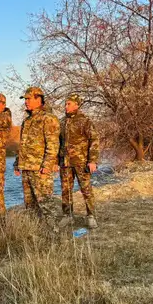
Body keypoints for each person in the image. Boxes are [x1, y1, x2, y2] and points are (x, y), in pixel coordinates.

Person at [13, 86, 60, 221]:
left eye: (28, 99)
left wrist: (47, 165)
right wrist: (17, 163)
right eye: (25, 99)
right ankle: (37, 236)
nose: (26, 102)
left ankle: (56, 236)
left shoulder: (48, 118)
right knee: (30, 206)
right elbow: (23, 145)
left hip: (40, 170)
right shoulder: (27, 121)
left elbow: (53, 145)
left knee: (46, 206)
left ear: (38, 99)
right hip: (26, 169)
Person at [58, 93, 100, 229]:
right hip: (65, 163)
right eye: (65, 103)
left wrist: (92, 160)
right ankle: (67, 215)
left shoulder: (85, 120)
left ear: (76, 105)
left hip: (82, 162)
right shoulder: (62, 121)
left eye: (69, 104)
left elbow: (94, 140)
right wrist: (55, 161)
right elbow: (58, 142)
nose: (66, 106)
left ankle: (91, 216)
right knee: (66, 190)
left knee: (86, 189)